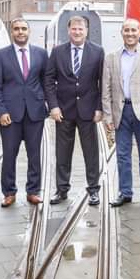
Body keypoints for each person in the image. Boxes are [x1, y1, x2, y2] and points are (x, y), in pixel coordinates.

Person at [44, 16, 105, 206]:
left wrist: (99, 108)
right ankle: (61, 190)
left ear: (86, 31)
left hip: (88, 111)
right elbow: (49, 80)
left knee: (91, 153)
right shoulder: (57, 52)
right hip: (63, 111)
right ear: (68, 30)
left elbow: (102, 82)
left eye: (81, 29)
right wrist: (53, 106)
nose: (77, 32)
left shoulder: (97, 52)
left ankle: (93, 190)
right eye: (74, 29)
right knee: (62, 153)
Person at [102, 18, 140, 210]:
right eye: (126, 30)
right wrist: (108, 116)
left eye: (133, 30)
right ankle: (125, 193)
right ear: (121, 32)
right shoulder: (111, 57)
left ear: (139, 32)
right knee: (122, 155)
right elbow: (106, 89)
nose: (130, 34)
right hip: (121, 112)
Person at [0, 18, 49, 207]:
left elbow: (46, 82)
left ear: (29, 31)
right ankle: (9, 192)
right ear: (11, 32)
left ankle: (33, 191)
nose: (20, 32)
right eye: (16, 29)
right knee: (9, 154)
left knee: (35, 154)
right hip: (10, 114)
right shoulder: (0, 55)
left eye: (24, 28)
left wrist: (48, 104)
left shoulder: (41, 54)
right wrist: (0, 111)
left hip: (35, 113)